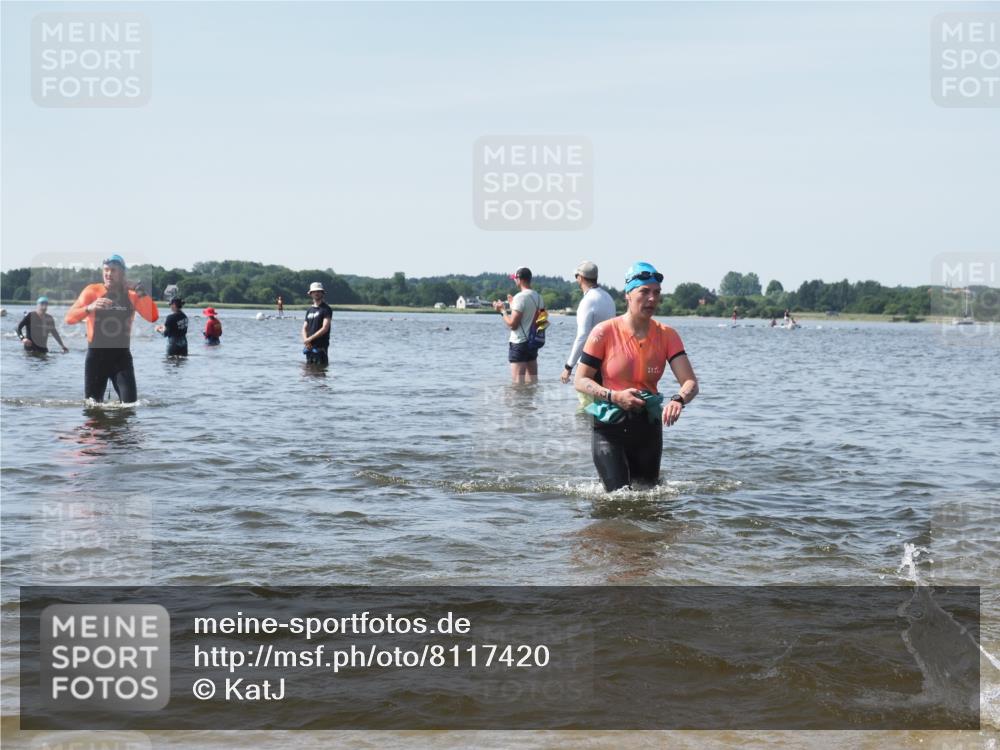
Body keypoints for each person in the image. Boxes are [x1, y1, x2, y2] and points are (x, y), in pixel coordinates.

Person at [574, 262, 698, 492]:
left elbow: (690, 382)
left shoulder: (667, 335)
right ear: (628, 295)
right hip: (609, 427)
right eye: (644, 291)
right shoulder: (604, 331)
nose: (652, 299)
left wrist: (678, 400)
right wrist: (614, 396)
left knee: (648, 496)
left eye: (657, 293)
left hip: (648, 428)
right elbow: (580, 380)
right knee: (617, 497)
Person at [65, 254, 158, 403]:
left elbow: (152, 317)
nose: (108, 274)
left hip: (121, 358)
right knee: (93, 408)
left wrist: (140, 290)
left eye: (113, 270)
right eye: (106, 270)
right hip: (96, 358)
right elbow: (69, 318)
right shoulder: (92, 291)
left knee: (130, 407)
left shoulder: (132, 294)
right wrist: (90, 307)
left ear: (122, 273)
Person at [560, 261, 616, 386]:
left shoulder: (588, 301)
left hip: (590, 362)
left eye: (576, 276)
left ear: (580, 278)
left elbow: (583, 336)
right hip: (608, 360)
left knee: (586, 397)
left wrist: (568, 366)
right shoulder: (608, 297)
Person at [492, 266, 544, 384]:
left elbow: (513, 325)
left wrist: (502, 311)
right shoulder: (539, 297)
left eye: (515, 279)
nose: (515, 281)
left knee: (517, 385)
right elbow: (537, 320)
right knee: (532, 383)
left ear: (519, 280)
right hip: (533, 343)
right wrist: (513, 306)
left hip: (519, 344)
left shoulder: (520, 297)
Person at [301, 282, 332, 365]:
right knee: (308, 369)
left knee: (320, 370)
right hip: (309, 346)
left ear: (322, 293)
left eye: (319, 291)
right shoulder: (309, 310)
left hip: (321, 347)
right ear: (311, 294)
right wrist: (306, 340)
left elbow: (325, 328)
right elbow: (304, 328)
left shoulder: (326, 309)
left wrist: (310, 339)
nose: (316, 293)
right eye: (314, 291)